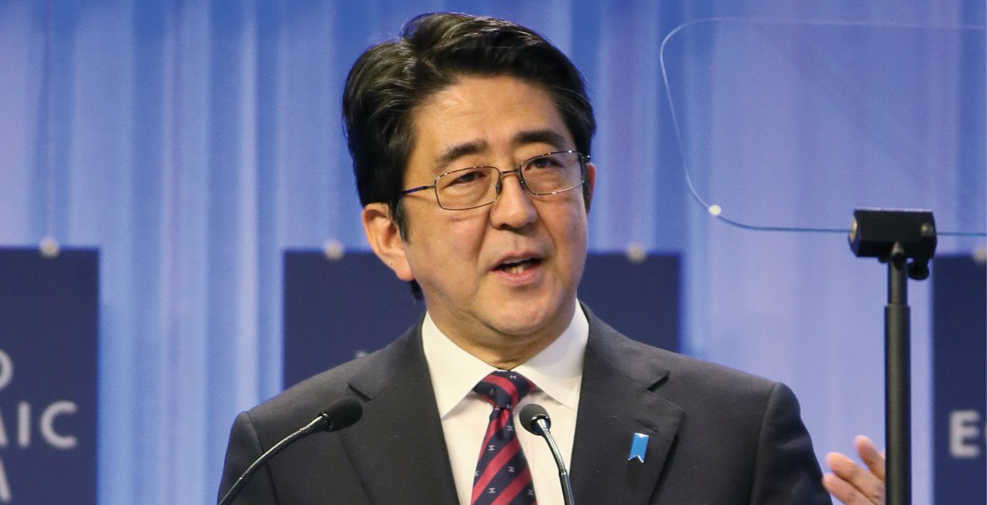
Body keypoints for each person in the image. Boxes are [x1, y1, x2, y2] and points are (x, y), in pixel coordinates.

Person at [219, 12, 885, 505]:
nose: (516, 210)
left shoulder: (736, 431)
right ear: (390, 234)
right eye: (466, 179)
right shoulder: (291, 451)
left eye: (542, 164)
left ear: (586, 189)